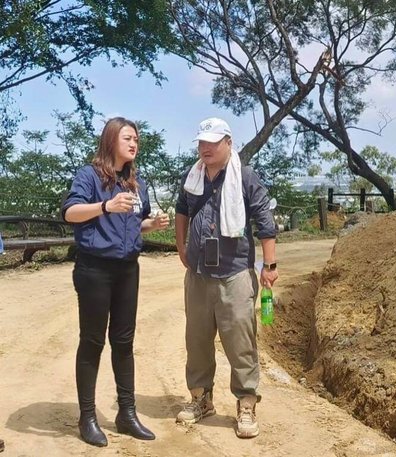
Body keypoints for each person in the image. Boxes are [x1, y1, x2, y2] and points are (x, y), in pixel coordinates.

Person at [62, 117, 170, 447]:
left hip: (127, 270)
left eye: (137, 138)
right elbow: (70, 213)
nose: (134, 143)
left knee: (124, 342)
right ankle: (88, 417)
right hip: (94, 269)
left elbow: (134, 226)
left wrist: (153, 224)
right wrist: (105, 205)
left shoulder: (137, 183)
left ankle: (127, 414)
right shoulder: (89, 175)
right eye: (128, 138)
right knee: (92, 341)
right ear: (111, 140)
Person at [174, 117, 278, 438]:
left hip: (234, 273)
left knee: (240, 342)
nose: (205, 148)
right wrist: (181, 248)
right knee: (197, 341)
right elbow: (181, 211)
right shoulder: (192, 178)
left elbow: (264, 219)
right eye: (201, 142)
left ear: (228, 143)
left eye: (212, 142)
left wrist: (269, 266)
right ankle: (200, 398)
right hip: (199, 274)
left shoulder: (245, 177)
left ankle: (246, 403)